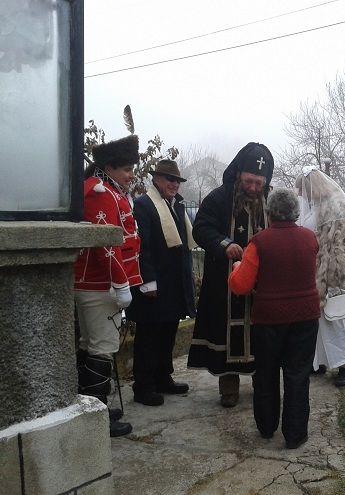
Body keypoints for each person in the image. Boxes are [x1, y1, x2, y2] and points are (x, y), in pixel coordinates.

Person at [228, 188, 320, 449]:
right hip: (306, 316)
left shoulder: (259, 242)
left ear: (269, 213)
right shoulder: (310, 238)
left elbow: (241, 286)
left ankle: (266, 427)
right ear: (295, 212)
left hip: (269, 319)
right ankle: (295, 434)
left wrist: (236, 267)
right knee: (298, 374)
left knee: (266, 373)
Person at [187, 142, 274, 407]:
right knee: (225, 331)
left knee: (259, 333)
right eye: (249, 181)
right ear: (238, 174)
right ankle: (229, 388)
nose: (253, 188)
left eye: (259, 183)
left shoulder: (270, 202)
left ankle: (262, 384)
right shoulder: (218, 198)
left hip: (261, 284)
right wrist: (224, 244)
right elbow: (200, 228)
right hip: (224, 281)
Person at [74, 134, 141, 437]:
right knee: (101, 348)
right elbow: (106, 245)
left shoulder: (106, 189)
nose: (131, 175)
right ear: (109, 167)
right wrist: (120, 283)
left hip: (97, 284)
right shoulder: (101, 193)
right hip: (100, 285)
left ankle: (93, 408)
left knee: (91, 346)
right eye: (126, 169)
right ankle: (97, 418)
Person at [126, 160, 196, 406]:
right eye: (169, 179)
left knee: (168, 332)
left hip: (173, 283)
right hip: (154, 283)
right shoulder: (144, 205)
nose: (174, 184)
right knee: (149, 335)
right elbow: (141, 246)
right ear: (156, 179)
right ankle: (143, 386)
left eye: (177, 180)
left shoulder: (176, 205)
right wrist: (148, 280)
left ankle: (163, 377)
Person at [297, 167, 345, 387]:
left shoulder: (338, 206)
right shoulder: (314, 207)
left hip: (330, 271)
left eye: (302, 189)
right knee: (316, 320)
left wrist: (334, 273)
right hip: (313, 269)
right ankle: (320, 361)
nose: (300, 194)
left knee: (336, 317)